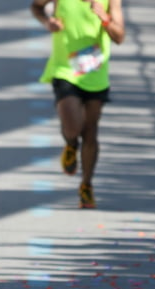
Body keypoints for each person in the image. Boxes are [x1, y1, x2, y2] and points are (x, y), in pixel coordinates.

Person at [30, 0, 125, 208]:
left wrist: (105, 19)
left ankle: (86, 185)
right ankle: (71, 143)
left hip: (95, 74)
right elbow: (36, 6)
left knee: (91, 132)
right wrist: (48, 22)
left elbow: (119, 37)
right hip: (66, 70)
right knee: (73, 125)